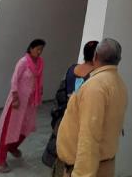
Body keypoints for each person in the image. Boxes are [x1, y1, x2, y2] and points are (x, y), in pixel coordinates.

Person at [56, 39, 127, 177]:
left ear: (95, 56)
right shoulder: (119, 83)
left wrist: (81, 174)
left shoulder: (95, 87)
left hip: (88, 169)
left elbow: (89, 136)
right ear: (118, 60)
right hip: (103, 164)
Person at [42, 41, 99, 174]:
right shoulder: (95, 76)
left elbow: (59, 94)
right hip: (78, 124)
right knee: (73, 159)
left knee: (61, 155)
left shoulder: (71, 69)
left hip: (63, 119)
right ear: (96, 56)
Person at [0, 38, 46, 173]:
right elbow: (14, 80)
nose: (39, 52)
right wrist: (15, 98)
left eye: (41, 49)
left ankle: (12, 147)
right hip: (17, 101)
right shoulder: (23, 62)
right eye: (38, 49)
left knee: (26, 127)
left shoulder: (40, 63)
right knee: (9, 129)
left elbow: (39, 80)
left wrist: (39, 93)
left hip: (30, 102)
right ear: (31, 48)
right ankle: (0, 160)